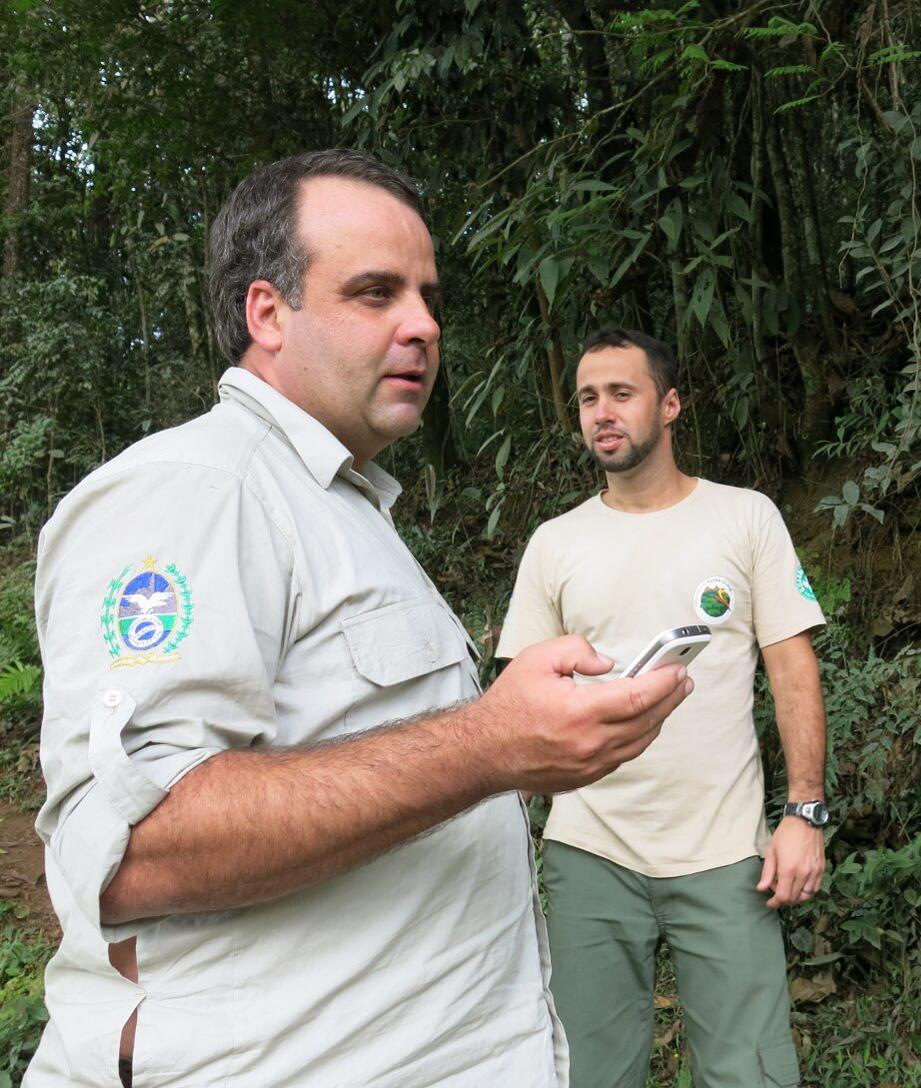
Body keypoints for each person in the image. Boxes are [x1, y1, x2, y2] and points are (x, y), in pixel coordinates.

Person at [28, 151, 690, 1088]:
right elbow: (131, 849)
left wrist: (510, 740)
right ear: (268, 314)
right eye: (376, 293)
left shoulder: (339, 505)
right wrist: (490, 744)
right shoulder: (196, 488)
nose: (423, 325)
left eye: (427, 296)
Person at [497, 327, 829, 1088]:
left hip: (726, 851)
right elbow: (519, 706)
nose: (602, 412)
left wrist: (804, 813)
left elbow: (791, 666)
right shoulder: (555, 542)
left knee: (750, 1074)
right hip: (589, 850)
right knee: (590, 1074)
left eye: (622, 393)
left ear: (670, 404)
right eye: (588, 398)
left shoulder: (745, 518)